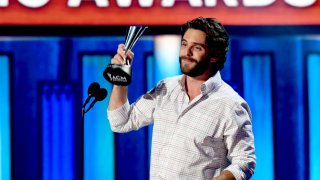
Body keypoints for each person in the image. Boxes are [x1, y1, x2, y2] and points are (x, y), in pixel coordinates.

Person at [107, 17, 256, 180]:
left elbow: (244, 162)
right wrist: (120, 79)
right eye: (184, 44)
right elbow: (121, 122)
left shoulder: (231, 104)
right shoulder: (165, 88)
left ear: (214, 56)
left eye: (196, 47)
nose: (187, 52)